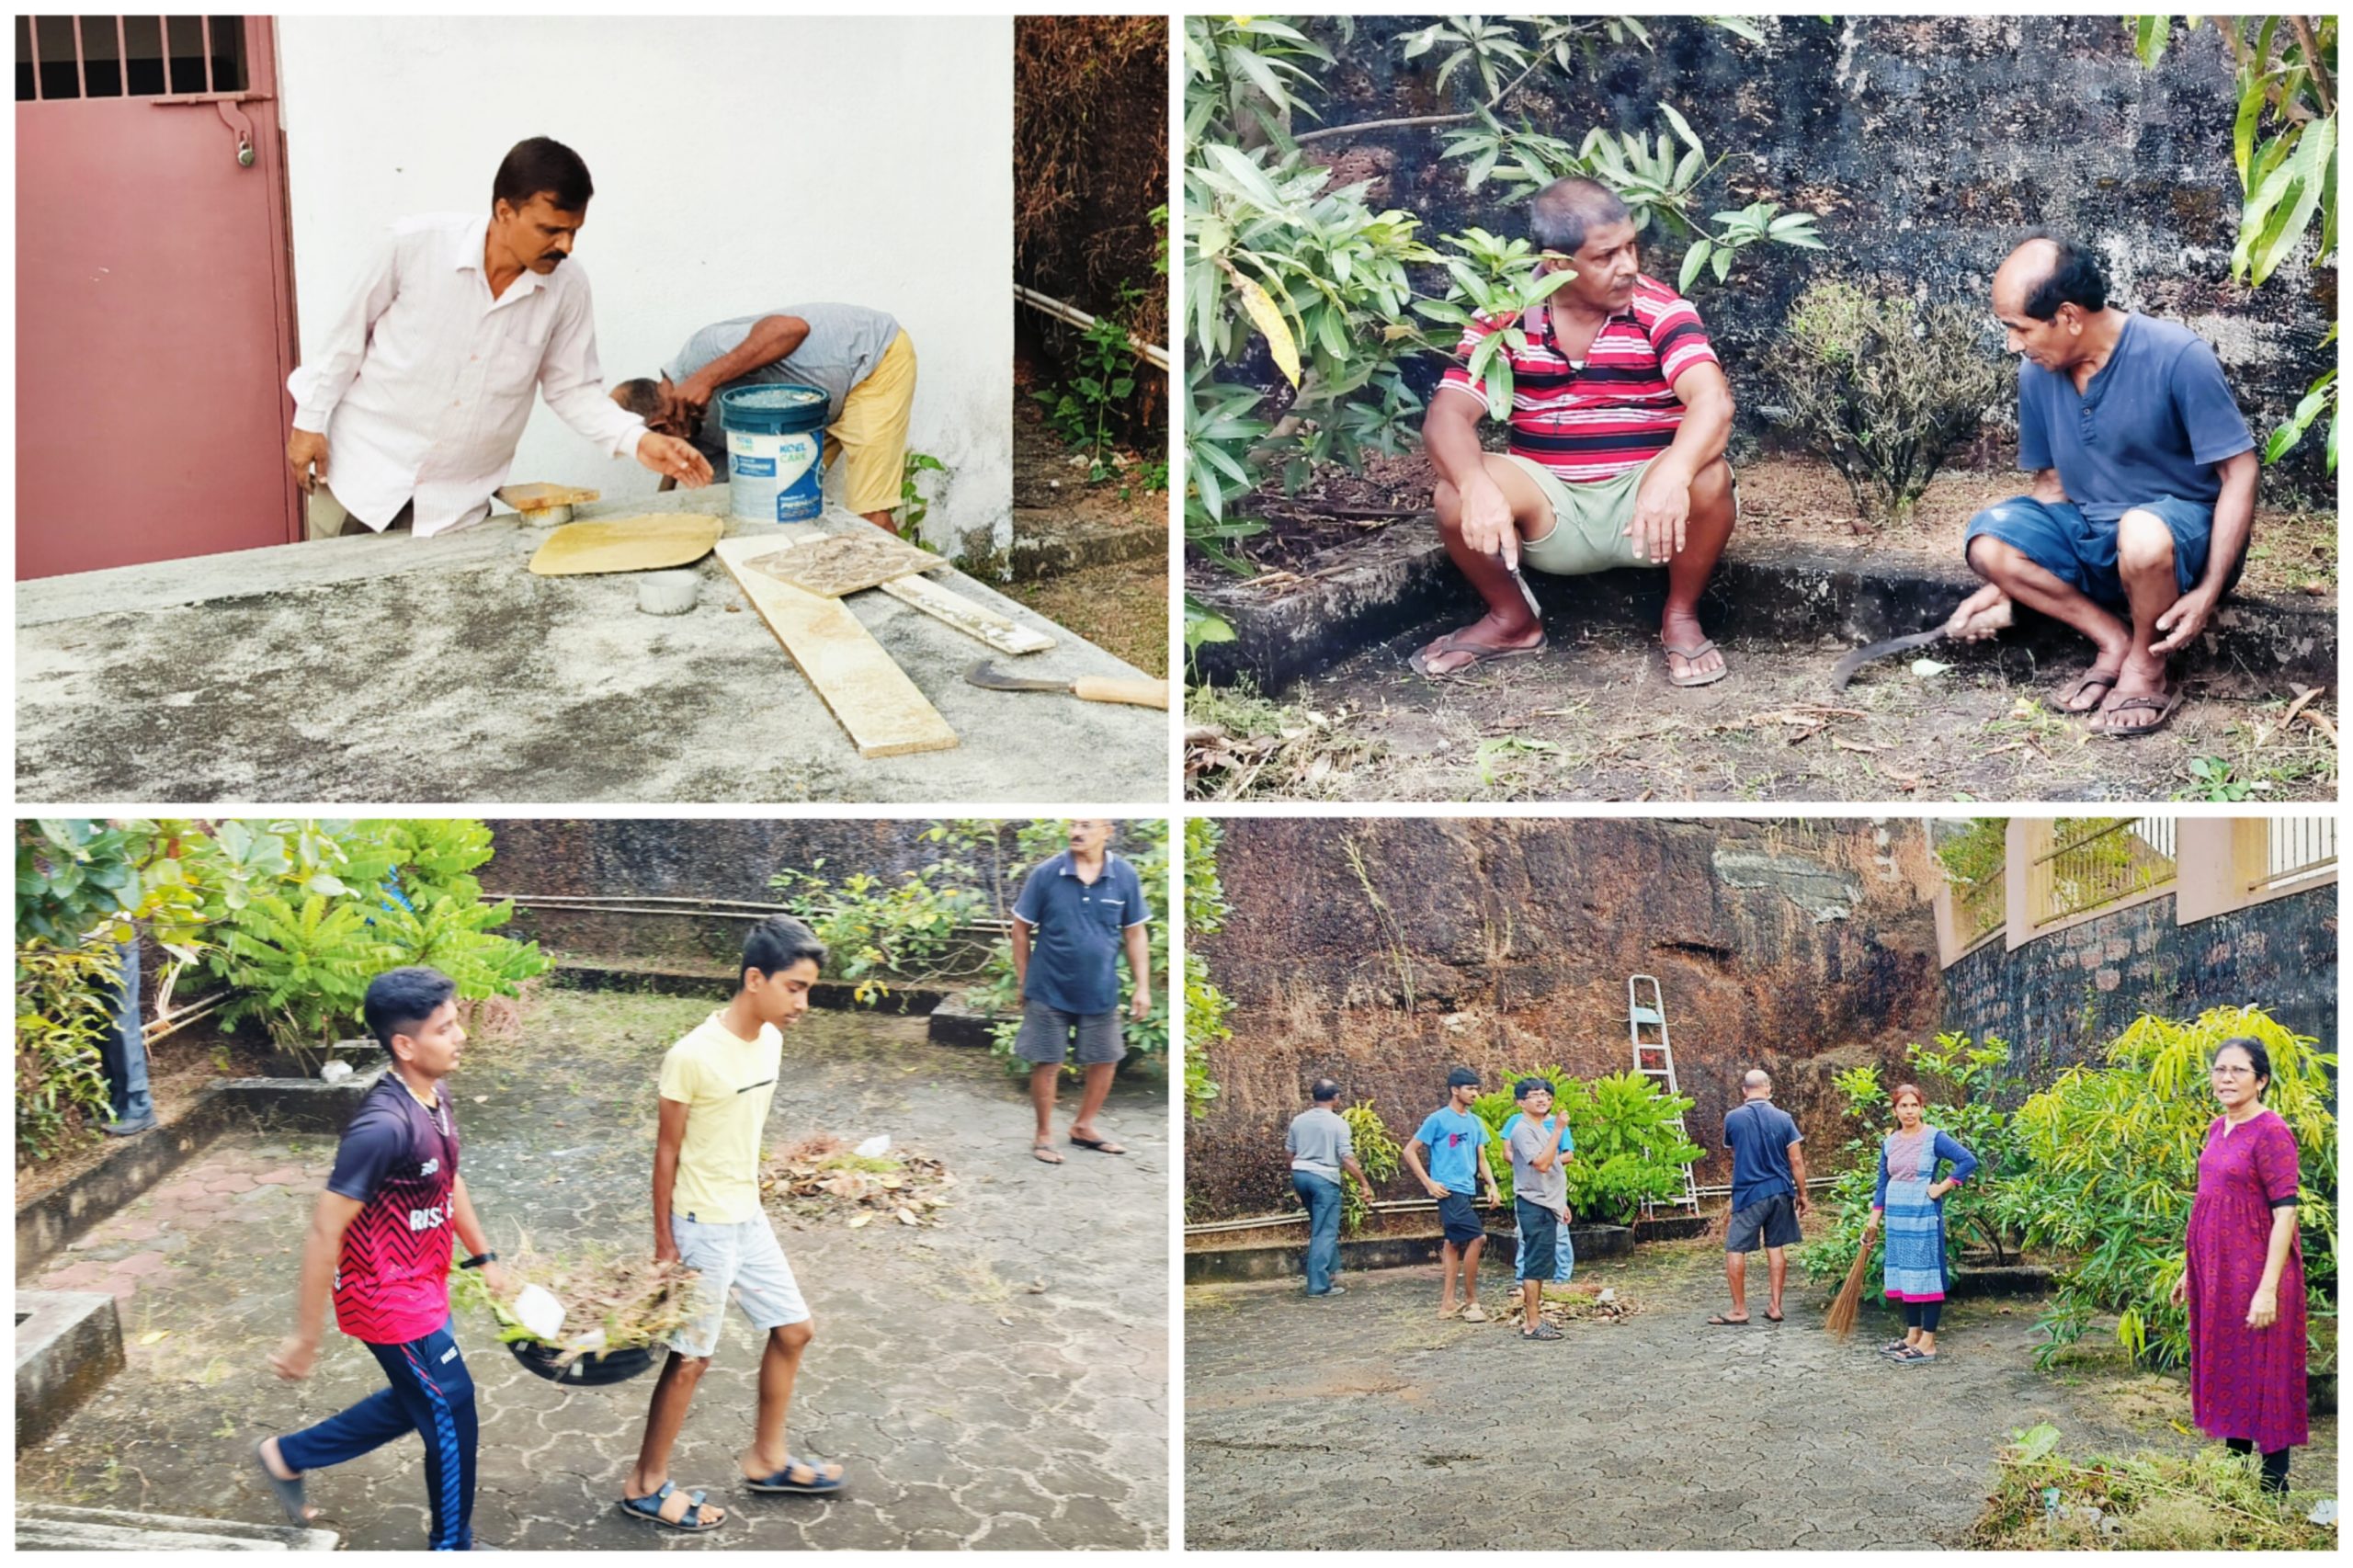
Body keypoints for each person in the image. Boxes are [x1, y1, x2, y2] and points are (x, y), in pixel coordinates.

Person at [285, 137, 712, 540]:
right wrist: (309, 421)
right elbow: (344, 340)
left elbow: (572, 390)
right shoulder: (413, 246)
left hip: (456, 511)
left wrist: (638, 440)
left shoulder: (568, 287)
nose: (565, 245)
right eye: (550, 229)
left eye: (574, 231)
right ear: (505, 212)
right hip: (359, 480)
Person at [1413, 176, 1738, 686]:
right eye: (1606, 256)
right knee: (1455, 490)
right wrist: (1476, 485)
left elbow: (1712, 401)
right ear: (1558, 265)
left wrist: (1672, 473)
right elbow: (1447, 415)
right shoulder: (1508, 315)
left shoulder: (1660, 309)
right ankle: (1511, 620)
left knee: (1708, 475)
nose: (1628, 265)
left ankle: (1680, 618)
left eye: (1631, 246)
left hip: (1651, 515)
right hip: (1552, 510)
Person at [1945, 235, 2258, 737]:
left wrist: (2209, 589)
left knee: (2140, 531)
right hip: (2095, 537)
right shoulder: (2037, 372)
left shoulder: (2177, 354)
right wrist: (2007, 582)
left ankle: (2145, 665)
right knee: (1990, 540)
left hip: (2179, 542)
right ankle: (2112, 639)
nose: (2013, 344)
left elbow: (2239, 471)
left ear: (2068, 316)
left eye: (2018, 328)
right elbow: (2051, 485)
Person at [256, 967, 506, 1551]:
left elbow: (449, 1179)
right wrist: (305, 1337)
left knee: (422, 1398)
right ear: (405, 1045)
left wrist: (484, 1255)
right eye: (446, 1028)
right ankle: (451, 1547)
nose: (461, 1035)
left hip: (425, 1282)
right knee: (452, 1408)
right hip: (385, 1297)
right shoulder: (382, 1125)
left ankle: (285, 1455)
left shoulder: (433, 1096)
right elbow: (324, 1232)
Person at [621, 916, 846, 1533]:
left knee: (794, 1330)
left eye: (808, 990)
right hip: (701, 1225)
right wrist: (665, 1243)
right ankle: (644, 1484)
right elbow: (666, 1150)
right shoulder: (691, 1056)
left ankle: (766, 1458)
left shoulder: (770, 1037)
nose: (803, 1002)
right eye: (795, 987)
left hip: (746, 1215)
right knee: (691, 1359)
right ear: (755, 979)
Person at [614, 304, 914, 532]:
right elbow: (740, 497)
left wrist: (707, 378)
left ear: (660, 427)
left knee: (870, 516)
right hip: (812, 408)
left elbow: (790, 328)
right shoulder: (693, 433)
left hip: (868, 363)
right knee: (777, 505)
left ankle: (908, 605)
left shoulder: (699, 355)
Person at [2173, 1036, 2307, 1494]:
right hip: (2219, 1272)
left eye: (2238, 1071)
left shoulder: (2272, 1131)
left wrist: (2268, 1287)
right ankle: (2235, 1480)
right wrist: (2189, 1270)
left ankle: (2273, 1490)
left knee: (2265, 1369)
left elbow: (2285, 1212)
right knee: (2230, 1365)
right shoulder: (2216, 1129)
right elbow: (2212, 1201)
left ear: (2261, 1080)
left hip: (2258, 1270)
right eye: (2219, 1069)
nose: (2226, 1078)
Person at [1010, 820, 1153, 1165]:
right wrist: (1024, 981)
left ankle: (1084, 1127)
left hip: (1100, 989)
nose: (1076, 831)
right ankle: (1044, 1135)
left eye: (1086, 825)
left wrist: (1142, 987)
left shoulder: (1124, 876)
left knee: (1106, 1059)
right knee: (1048, 1059)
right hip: (1048, 987)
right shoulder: (1047, 873)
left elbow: (1135, 934)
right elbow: (1020, 928)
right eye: (1073, 824)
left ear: (1108, 831)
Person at [1859, 1084, 1979, 1364]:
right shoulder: (1890, 1142)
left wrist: (1941, 1187)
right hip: (1898, 1218)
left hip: (1923, 1216)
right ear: (1895, 1110)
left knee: (1926, 1274)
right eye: (1904, 1106)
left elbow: (1967, 1160)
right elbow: (1882, 1185)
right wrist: (1873, 1224)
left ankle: (1928, 1341)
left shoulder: (1933, 1137)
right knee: (1905, 1274)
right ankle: (1912, 1335)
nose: (1909, 1111)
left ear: (1921, 1108)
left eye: (1914, 1105)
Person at [1404, 1067, 1502, 1323]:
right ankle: (1471, 1301)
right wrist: (1428, 1182)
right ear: (1454, 1090)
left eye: (1476, 1089)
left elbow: (1482, 1159)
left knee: (1453, 1243)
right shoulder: (1438, 1119)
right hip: (1448, 1189)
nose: (1474, 1094)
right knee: (1478, 1238)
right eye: (1469, 1089)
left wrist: (1492, 1185)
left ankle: (1447, 1303)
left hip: (1467, 1188)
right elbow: (1410, 1151)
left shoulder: (1475, 1122)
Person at [1713, 1069, 1808, 1325]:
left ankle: (1739, 1310)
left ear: (1744, 1091)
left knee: (1735, 1248)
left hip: (1749, 1193)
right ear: (1768, 1089)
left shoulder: (1733, 1118)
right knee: (1775, 1248)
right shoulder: (1784, 1118)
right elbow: (1796, 1160)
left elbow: (1737, 1150)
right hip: (1780, 1190)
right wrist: (1803, 1195)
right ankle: (1775, 1307)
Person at [1286, 1078, 1378, 1299]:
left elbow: (1289, 1152)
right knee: (1324, 1231)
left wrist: (1299, 1173)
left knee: (1320, 1227)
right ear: (1336, 1098)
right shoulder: (1338, 1123)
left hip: (1301, 1175)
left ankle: (1330, 1273)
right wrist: (1364, 1183)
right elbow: (1347, 1158)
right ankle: (1318, 1286)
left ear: (1314, 1097)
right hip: (1324, 1179)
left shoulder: (1298, 1121)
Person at [1504, 1078, 1574, 1341]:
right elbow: (1542, 1165)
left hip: (1548, 1204)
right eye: (1534, 1096)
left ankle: (1536, 1320)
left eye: (1545, 1095)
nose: (1542, 1099)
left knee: (1542, 1265)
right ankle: (1532, 1324)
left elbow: (1553, 1169)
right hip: (1534, 1205)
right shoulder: (1523, 1130)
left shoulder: (1539, 1129)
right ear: (1521, 1102)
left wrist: (1561, 1203)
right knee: (1534, 1265)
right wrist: (1558, 1130)